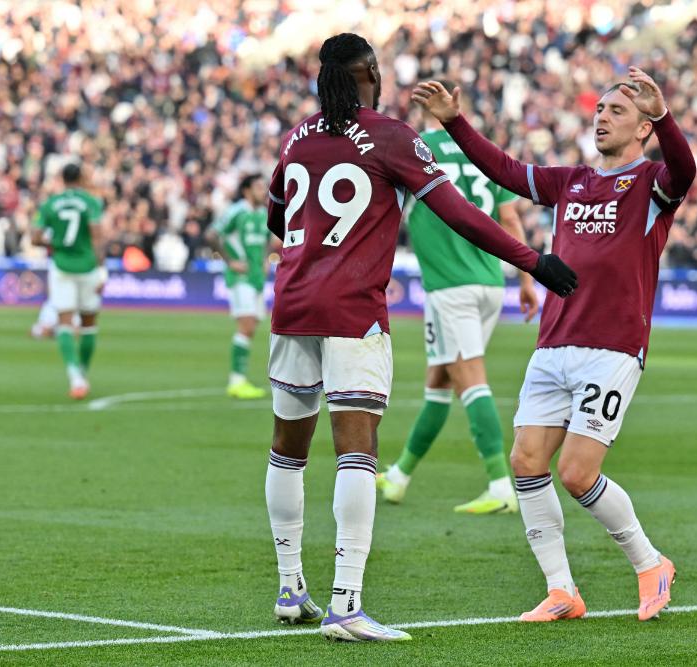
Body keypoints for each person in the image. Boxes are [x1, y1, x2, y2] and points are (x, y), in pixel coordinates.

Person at [263, 33, 576, 642]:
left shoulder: (297, 136)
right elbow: (457, 211)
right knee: (356, 449)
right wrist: (532, 261)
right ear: (372, 75)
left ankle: (288, 585)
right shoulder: (390, 136)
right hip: (351, 308)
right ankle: (345, 604)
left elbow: (277, 213)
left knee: (287, 446)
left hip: (293, 302)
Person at [414, 66, 696, 622]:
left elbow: (685, 169)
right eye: (600, 110)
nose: (602, 117)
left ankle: (649, 563)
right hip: (553, 343)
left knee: (577, 472)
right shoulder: (572, 181)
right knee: (526, 461)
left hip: (612, 347)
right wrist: (456, 124)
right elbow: (508, 172)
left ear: (642, 129)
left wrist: (665, 116)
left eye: (617, 111)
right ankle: (562, 589)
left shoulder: (651, 184)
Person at [378, 88, 540, 515]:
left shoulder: (417, 148)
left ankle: (502, 485)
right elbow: (510, 217)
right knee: (440, 380)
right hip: (489, 282)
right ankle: (399, 476)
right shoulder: (484, 152)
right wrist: (525, 280)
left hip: (450, 286)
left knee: (470, 378)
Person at [30, 163, 105, 399]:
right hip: (87, 267)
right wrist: (103, 270)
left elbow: (35, 238)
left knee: (64, 321)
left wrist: (56, 244)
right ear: (81, 178)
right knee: (88, 323)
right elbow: (98, 238)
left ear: (61, 179)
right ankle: (82, 372)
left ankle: (75, 377)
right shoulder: (91, 202)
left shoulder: (50, 204)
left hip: (62, 266)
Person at [205, 173, 271, 399]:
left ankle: (239, 380)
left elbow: (264, 242)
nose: (264, 191)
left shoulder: (263, 214)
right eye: (259, 187)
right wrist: (229, 260)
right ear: (246, 191)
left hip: (256, 277)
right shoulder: (237, 211)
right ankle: (236, 381)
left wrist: (265, 260)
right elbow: (212, 234)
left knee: (252, 325)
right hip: (240, 277)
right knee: (247, 325)